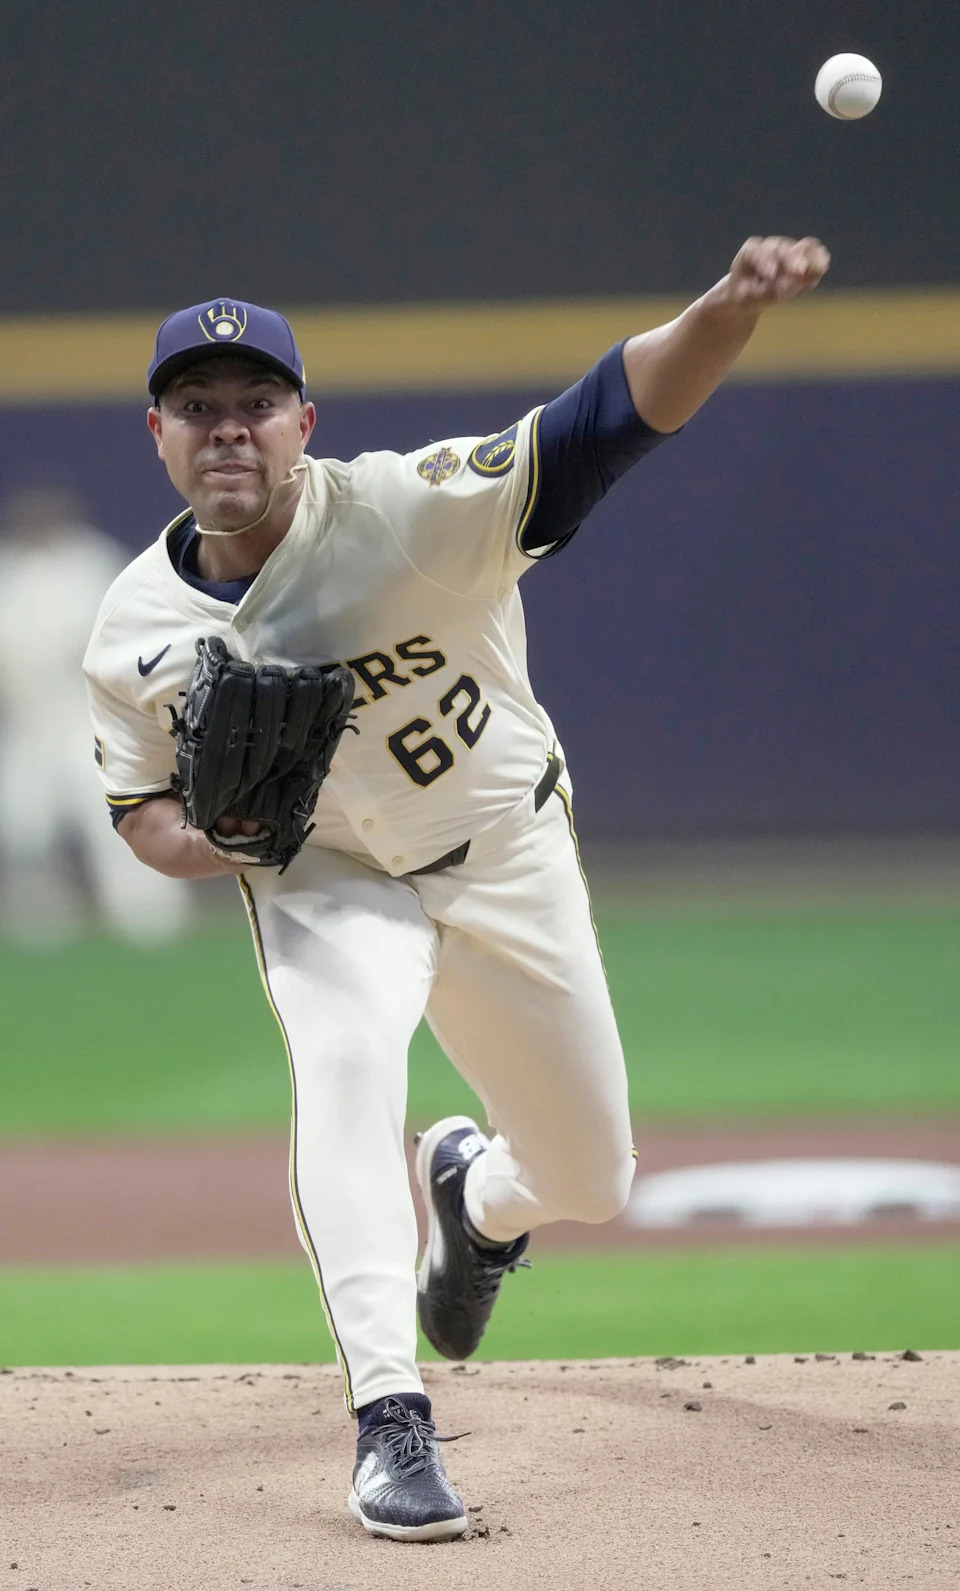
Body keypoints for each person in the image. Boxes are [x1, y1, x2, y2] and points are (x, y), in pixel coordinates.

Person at [83, 237, 829, 1542]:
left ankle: (473, 1204)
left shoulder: (407, 506)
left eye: (255, 401)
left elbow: (611, 414)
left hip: (500, 853)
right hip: (322, 877)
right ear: (156, 432)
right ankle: (390, 1420)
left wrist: (726, 307)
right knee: (344, 1061)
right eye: (196, 406)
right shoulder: (130, 631)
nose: (227, 429)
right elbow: (141, 814)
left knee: (593, 1173)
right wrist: (219, 841)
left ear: (303, 421)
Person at [0, 485, 191, 946]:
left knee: (120, 823)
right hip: (27, 726)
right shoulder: (9, 571)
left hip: (91, 722)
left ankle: (151, 925)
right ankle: (41, 929)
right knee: (22, 827)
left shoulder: (95, 563)